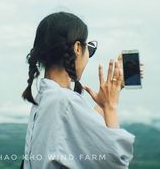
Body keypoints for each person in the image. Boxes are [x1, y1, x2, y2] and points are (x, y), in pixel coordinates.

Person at [20, 11, 144, 169]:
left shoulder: (45, 98)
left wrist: (114, 90)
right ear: (77, 48)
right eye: (89, 50)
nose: (88, 56)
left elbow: (77, 128)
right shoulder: (64, 101)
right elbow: (116, 161)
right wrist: (111, 106)